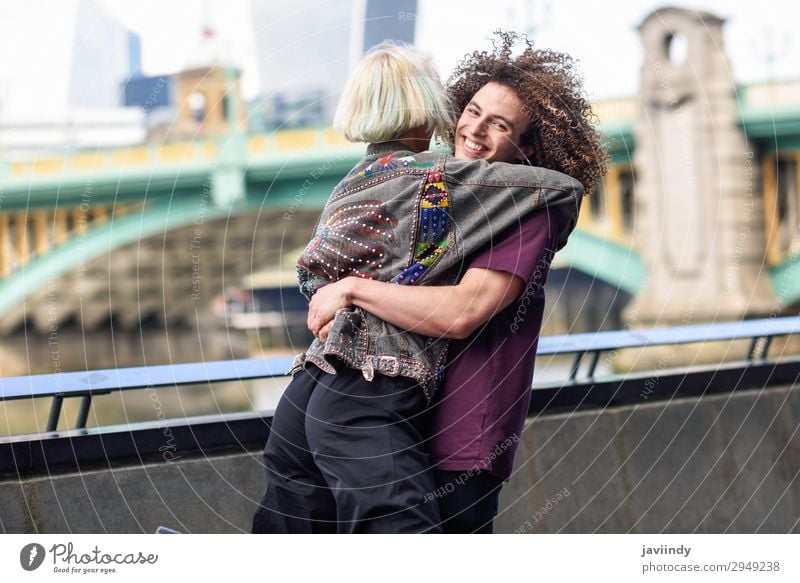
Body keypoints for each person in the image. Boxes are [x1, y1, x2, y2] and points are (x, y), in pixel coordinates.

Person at [251, 40, 584, 534]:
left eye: (500, 124)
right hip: (389, 401)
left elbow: (462, 311)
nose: (475, 128)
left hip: (460, 422)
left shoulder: (518, 212)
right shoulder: (437, 195)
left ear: (528, 150)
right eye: (471, 111)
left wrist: (350, 289)